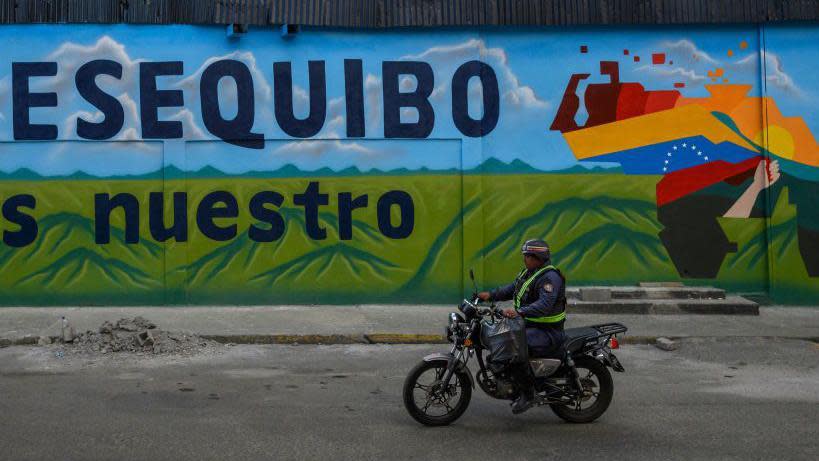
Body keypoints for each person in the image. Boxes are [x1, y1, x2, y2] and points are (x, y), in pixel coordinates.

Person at [477, 239, 567, 414]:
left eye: (527, 256)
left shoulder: (550, 277)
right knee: (502, 342)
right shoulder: (529, 273)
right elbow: (512, 289)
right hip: (529, 325)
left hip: (548, 332)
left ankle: (528, 393)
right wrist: (489, 295)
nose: (524, 259)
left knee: (514, 350)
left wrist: (520, 312)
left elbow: (544, 305)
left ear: (537, 257)